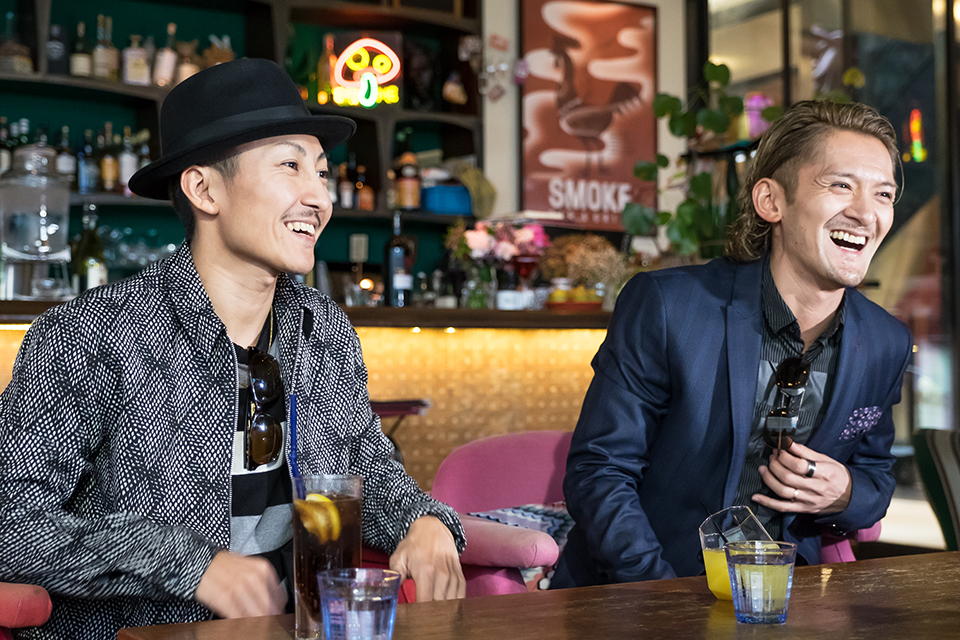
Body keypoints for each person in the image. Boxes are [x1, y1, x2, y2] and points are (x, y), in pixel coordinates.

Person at [0, 58, 465, 639]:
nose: (319, 198)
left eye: (321, 173)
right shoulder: (91, 333)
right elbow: (11, 523)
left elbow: (365, 470)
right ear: (204, 189)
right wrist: (190, 564)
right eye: (290, 166)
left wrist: (423, 520)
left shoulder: (323, 328)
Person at [552, 100, 911, 587]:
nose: (866, 212)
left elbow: (876, 476)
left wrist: (845, 492)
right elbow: (600, 471)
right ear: (771, 201)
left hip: (788, 598)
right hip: (641, 590)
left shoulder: (886, 341)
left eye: (884, 194)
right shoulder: (669, 306)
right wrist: (662, 595)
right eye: (841, 185)